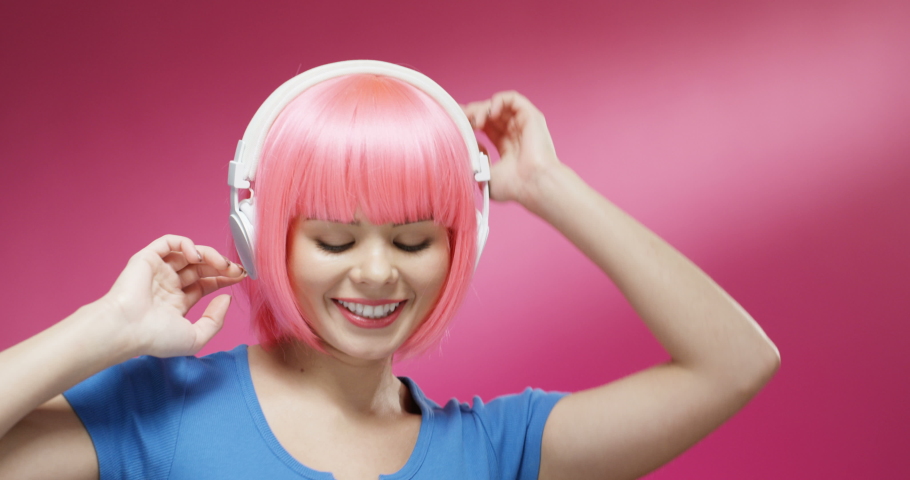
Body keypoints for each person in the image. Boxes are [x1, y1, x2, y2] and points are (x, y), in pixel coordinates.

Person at [0, 61, 779, 480]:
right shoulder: (157, 413)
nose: (376, 273)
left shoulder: (497, 450)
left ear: (460, 244)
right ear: (261, 235)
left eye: (413, 242)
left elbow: (736, 365)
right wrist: (102, 330)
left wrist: (549, 187)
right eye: (335, 241)